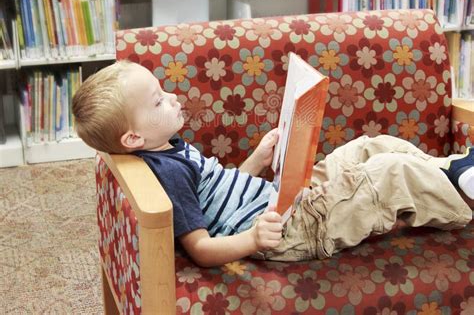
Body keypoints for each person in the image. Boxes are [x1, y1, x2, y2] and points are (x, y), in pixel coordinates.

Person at [73, 60, 473, 267]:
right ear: (133, 139)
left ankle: (456, 172)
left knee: (370, 146)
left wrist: (256, 160)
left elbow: (216, 195)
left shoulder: (167, 146)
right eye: (159, 101)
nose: (174, 98)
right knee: (386, 176)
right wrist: (253, 240)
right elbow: (201, 247)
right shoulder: (166, 175)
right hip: (290, 230)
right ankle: (463, 191)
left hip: (283, 198)